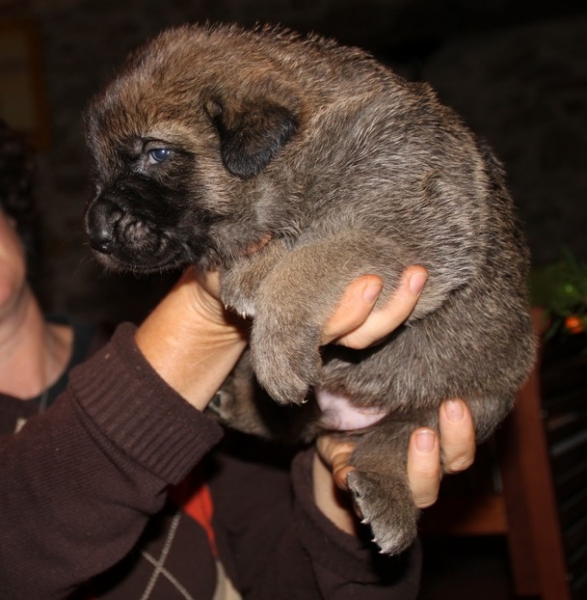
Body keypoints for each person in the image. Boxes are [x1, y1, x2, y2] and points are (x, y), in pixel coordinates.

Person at [0, 121, 476, 599]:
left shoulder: (209, 382)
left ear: (13, 218)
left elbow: (287, 578)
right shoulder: (177, 363)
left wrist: (345, 497)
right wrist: (209, 307)